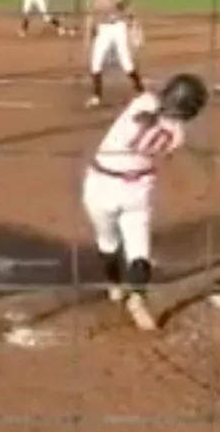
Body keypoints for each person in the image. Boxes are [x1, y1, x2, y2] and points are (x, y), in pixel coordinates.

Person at [81, 73, 209, 331]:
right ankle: (137, 297)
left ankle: (114, 286)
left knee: (108, 242)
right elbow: (159, 125)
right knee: (139, 251)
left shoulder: (144, 102)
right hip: (138, 191)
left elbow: (147, 111)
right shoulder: (178, 135)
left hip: (101, 185)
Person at [84, 0, 144, 109]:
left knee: (126, 62)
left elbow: (129, 10)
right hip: (103, 29)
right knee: (95, 62)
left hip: (118, 27)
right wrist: (88, 34)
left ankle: (141, 91)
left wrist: (134, 28)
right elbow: (90, 17)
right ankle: (96, 96)